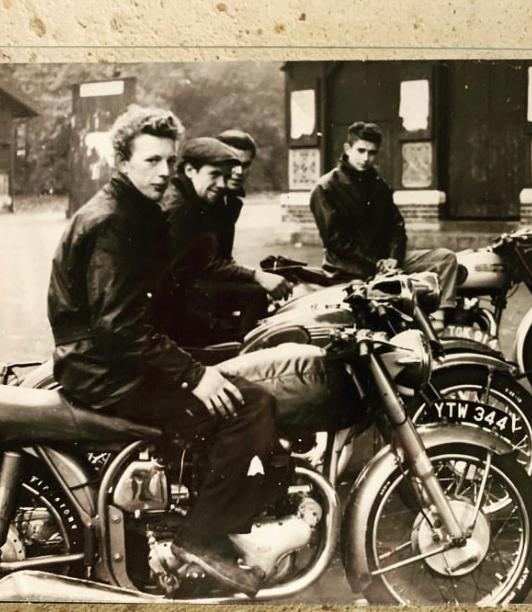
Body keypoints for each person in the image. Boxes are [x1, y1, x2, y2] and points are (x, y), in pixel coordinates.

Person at [47, 105, 287, 597]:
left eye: (169, 161)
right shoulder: (116, 222)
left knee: (232, 392)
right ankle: (199, 539)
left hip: (107, 361)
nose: (163, 172)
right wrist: (194, 373)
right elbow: (118, 327)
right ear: (123, 161)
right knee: (249, 407)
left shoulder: (133, 210)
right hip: (105, 370)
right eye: (152, 160)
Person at [309, 121, 459, 318]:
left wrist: (394, 259)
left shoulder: (378, 185)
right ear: (348, 148)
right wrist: (378, 262)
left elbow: (396, 227)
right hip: (348, 269)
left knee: (445, 258)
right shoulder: (326, 188)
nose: (366, 158)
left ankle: (439, 320)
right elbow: (337, 240)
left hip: (386, 264)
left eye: (372, 153)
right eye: (361, 151)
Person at [160, 135, 291, 345]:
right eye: (214, 175)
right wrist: (256, 276)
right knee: (254, 297)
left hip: (191, 290)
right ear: (190, 171)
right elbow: (195, 270)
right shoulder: (181, 208)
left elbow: (215, 258)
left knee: (255, 296)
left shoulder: (198, 199)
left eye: (224, 175)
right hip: (174, 305)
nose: (222, 183)